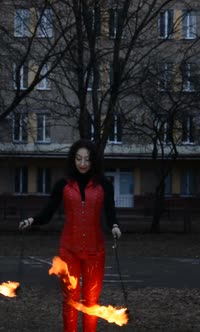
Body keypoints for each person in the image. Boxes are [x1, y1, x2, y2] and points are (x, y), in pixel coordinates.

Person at [19, 139, 122, 332]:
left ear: (94, 161)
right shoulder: (63, 185)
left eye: (87, 160)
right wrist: (32, 220)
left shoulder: (104, 185)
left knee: (91, 302)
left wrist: (115, 226)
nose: (83, 164)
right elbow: (48, 212)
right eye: (79, 159)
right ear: (73, 160)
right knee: (70, 299)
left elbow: (110, 212)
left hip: (95, 251)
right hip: (69, 251)